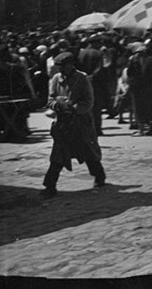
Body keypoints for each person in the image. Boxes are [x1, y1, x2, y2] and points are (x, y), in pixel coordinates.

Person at [40, 52, 106, 197]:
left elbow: (89, 102)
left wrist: (72, 107)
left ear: (71, 64)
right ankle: (50, 186)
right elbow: (50, 99)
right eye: (59, 67)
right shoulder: (56, 79)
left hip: (81, 124)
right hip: (63, 125)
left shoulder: (82, 79)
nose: (61, 70)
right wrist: (58, 104)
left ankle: (99, 176)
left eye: (63, 66)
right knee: (58, 155)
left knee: (88, 151)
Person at [126, 39, 152, 136]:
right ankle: (151, 129)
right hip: (149, 87)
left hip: (137, 88)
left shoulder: (132, 59)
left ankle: (141, 130)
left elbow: (129, 73)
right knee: (150, 107)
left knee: (138, 108)